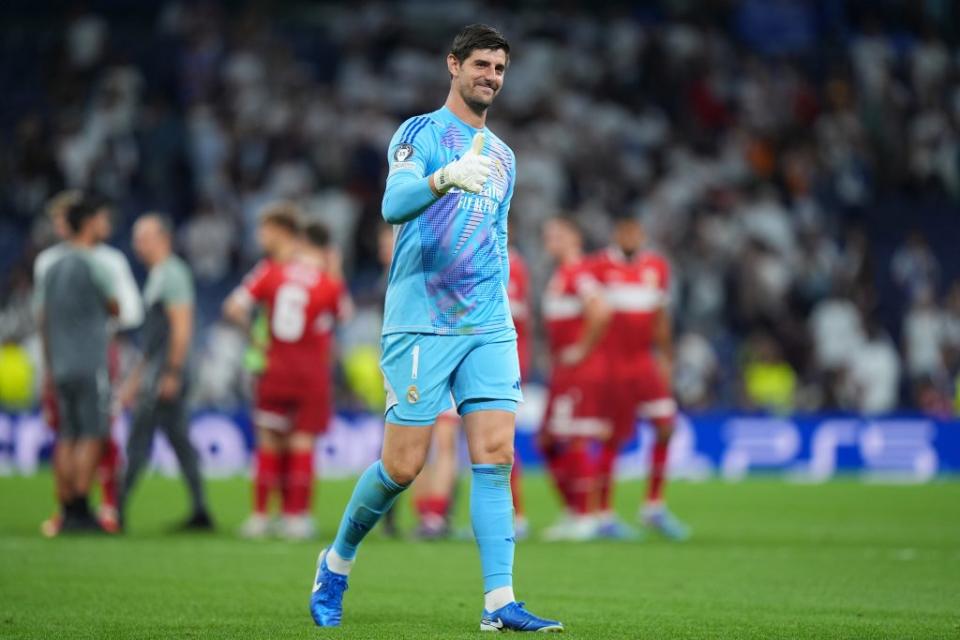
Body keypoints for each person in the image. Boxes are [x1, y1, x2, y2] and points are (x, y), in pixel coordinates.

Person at [309, 24, 563, 632]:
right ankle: (336, 562)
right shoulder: (420, 134)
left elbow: (496, 237)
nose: (491, 77)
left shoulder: (503, 156)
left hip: (486, 323)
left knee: (496, 455)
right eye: (480, 64)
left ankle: (499, 604)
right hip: (422, 322)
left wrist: (500, 309)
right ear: (453, 65)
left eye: (499, 69)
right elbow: (392, 207)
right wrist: (443, 178)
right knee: (402, 466)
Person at [225, 204, 347, 539]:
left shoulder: (271, 271)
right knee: (302, 443)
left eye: (265, 230)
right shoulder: (324, 276)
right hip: (311, 370)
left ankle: (261, 516)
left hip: (274, 365)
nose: (260, 236)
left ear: (284, 231)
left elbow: (233, 307)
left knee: (268, 442)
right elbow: (343, 312)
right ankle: (297, 517)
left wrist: (257, 340)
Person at [35, 191, 143, 536]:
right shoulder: (98, 263)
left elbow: (42, 319)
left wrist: (49, 367)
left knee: (66, 435)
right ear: (88, 224)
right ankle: (82, 509)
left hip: (60, 363)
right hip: (91, 361)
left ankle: (65, 508)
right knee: (93, 433)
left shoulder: (50, 267)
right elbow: (117, 309)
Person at [592, 215, 690, 540]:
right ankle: (604, 515)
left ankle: (653, 507)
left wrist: (666, 357)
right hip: (613, 366)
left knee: (666, 425)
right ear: (617, 233)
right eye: (626, 230)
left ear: (643, 234)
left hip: (644, 364)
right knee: (613, 438)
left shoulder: (656, 268)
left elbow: (660, 316)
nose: (632, 236)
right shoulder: (599, 267)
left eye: (637, 231)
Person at [118, 214, 212, 530]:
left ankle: (115, 509)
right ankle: (201, 511)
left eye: (142, 237)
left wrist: (171, 372)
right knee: (179, 439)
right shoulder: (161, 274)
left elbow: (181, 327)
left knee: (139, 438)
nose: (136, 245)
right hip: (159, 370)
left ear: (162, 238)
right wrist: (134, 379)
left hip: (165, 373)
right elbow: (153, 341)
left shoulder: (171, 273)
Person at [539, 216, 612, 541]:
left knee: (576, 437)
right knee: (548, 439)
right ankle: (573, 509)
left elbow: (601, 310)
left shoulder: (579, 273)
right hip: (562, 370)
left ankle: (585, 516)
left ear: (574, 238)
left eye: (556, 235)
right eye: (547, 236)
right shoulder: (561, 274)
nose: (549, 241)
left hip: (580, 371)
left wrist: (581, 350)